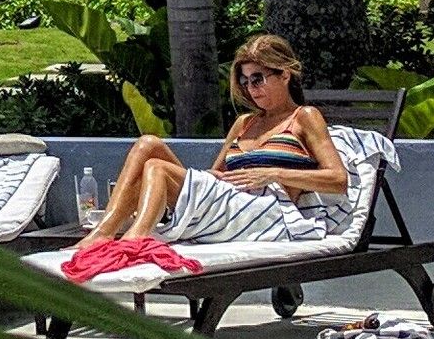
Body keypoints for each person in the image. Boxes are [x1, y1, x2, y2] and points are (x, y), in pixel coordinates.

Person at [74, 33, 346, 249]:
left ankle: (136, 240)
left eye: (258, 79)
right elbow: (215, 174)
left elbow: (338, 179)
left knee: (158, 167)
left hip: (268, 213)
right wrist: (215, 177)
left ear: (284, 74)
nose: (251, 89)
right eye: (245, 81)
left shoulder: (304, 117)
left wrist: (273, 174)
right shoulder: (244, 123)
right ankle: (102, 233)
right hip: (228, 203)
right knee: (148, 144)